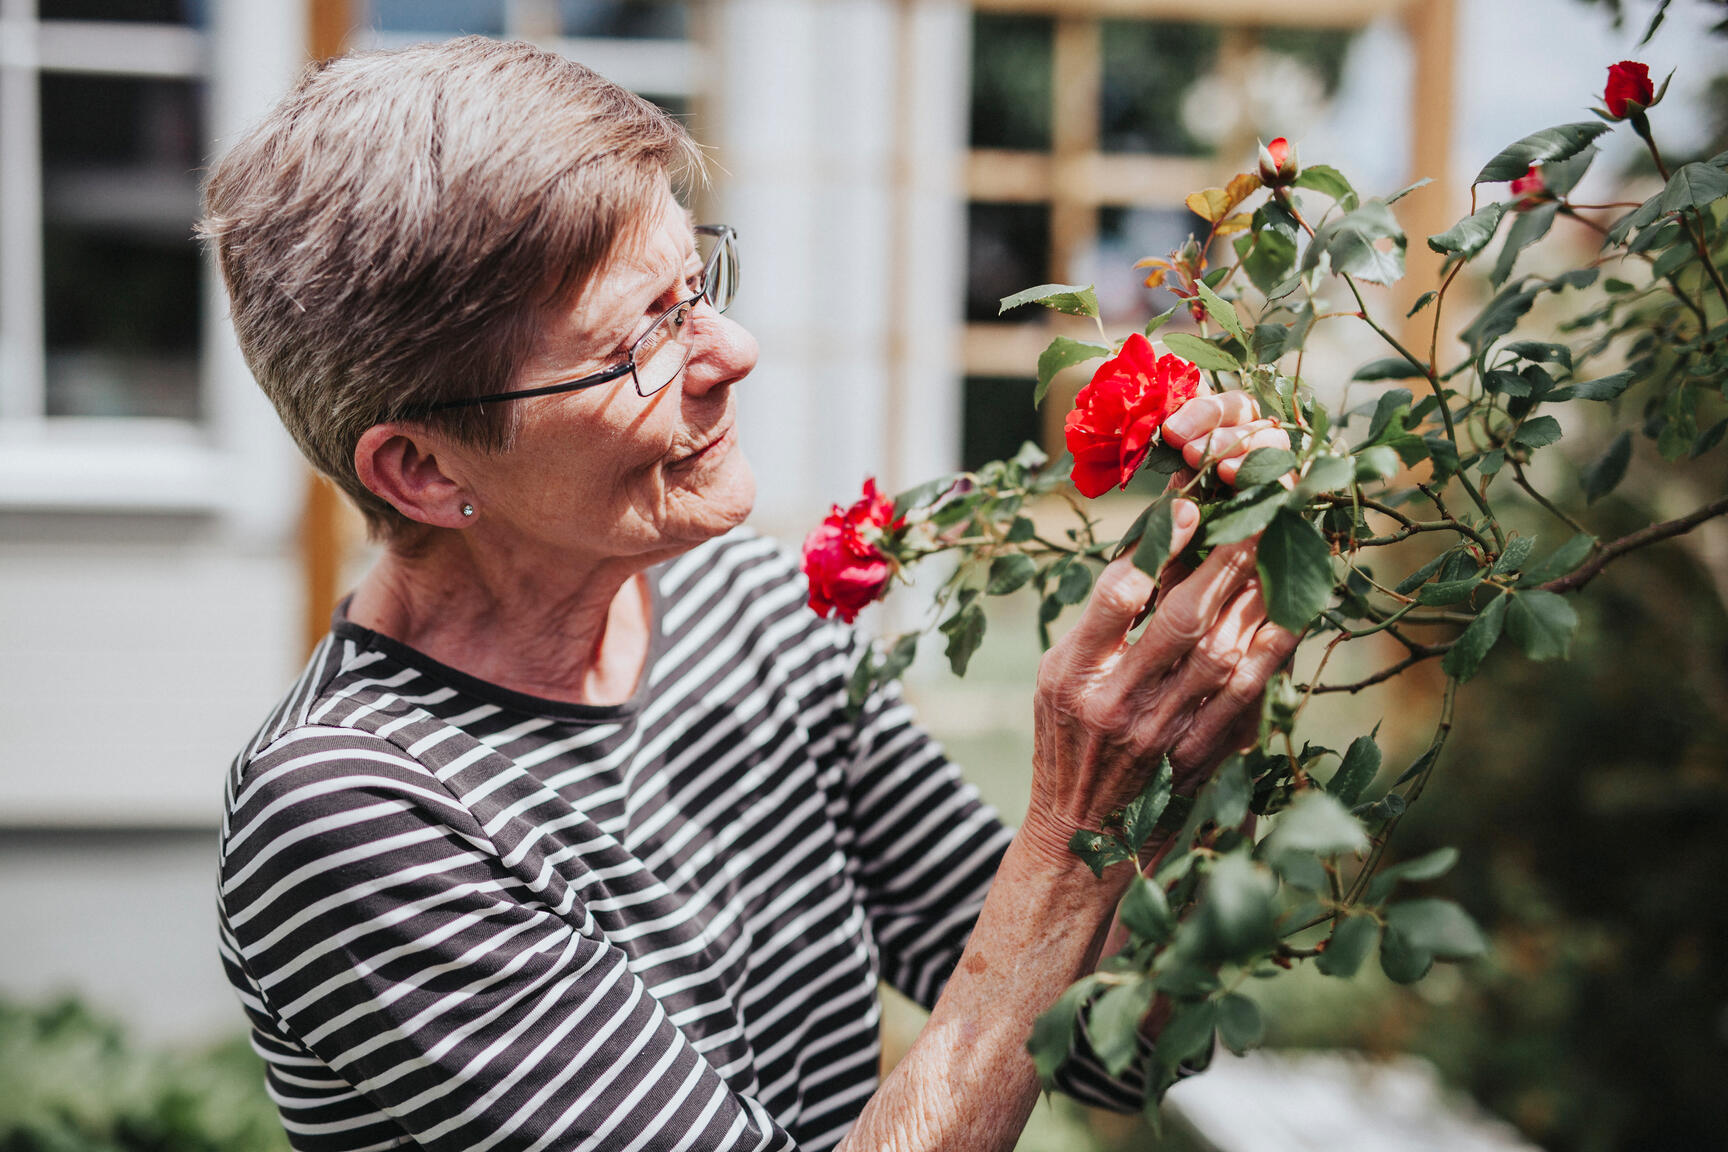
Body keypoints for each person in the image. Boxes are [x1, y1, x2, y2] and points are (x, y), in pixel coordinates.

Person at [205, 36, 1298, 1152]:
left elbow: (1120, 1038)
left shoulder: (750, 609)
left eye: (696, 286)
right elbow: (1046, 937)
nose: (732, 351)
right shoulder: (356, 813)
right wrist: (1071, 832)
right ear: (424, 471)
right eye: (641, 338)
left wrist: (1197, 685)